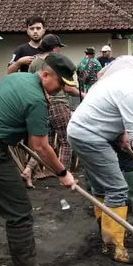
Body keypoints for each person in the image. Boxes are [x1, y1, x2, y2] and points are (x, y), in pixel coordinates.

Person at [0, 53, 77, 266]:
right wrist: (62, 173)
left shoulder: (15, 79)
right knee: (20, 211)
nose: (62, 89)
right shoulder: (36, 99)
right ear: (45, 75)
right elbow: (41, 146)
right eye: (60, 83)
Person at [67, 55, 133, 264]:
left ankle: (108, 234)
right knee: (117, 189)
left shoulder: (126, 77)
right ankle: (116, 246)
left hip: (81, 131)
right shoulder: (131, 91)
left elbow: (113, 109)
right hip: (90, 136)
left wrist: (120, 131)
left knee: (102, 188)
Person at [21, 35, 79, 186]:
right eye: (59, 47)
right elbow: (66, 87)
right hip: (58, 103)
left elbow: (30, 81)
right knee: (66, 140)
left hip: (40, 104)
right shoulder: (55, 62)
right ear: (54, 48)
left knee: (43, 142)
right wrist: (82, 94)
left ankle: (28, 169)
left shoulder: (34, 62)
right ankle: (64, 173)